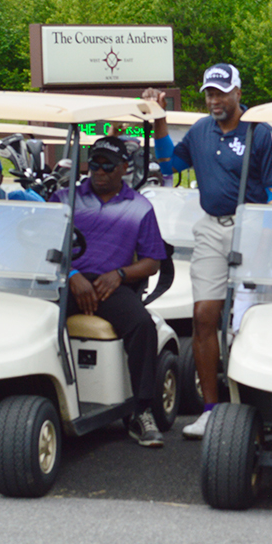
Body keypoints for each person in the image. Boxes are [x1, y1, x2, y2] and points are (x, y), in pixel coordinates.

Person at [147, 65, 272, 440]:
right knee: (204, 316)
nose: (214, 100)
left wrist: (261, 248)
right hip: (211, 226)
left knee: (246, 323)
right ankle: (211, 409)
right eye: (210, 93)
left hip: (253, 229)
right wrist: (160, 123)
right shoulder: (199, 130)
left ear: (239, 93)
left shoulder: (261, 132)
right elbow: (168, 164)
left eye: (222, 93)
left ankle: (252, 409)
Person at [49, 137, 169, 448]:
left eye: (108, 165)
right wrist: (72, 274)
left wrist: (119, 275)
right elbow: (43, 244)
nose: (99, 171)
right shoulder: (65, 198)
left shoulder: (139, 207)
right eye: (95, 163)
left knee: (143, 326)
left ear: (124, 169)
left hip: (110, 284)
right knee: (39, 321)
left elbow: (152, 262)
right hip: (68, 280)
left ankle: (141, 412)